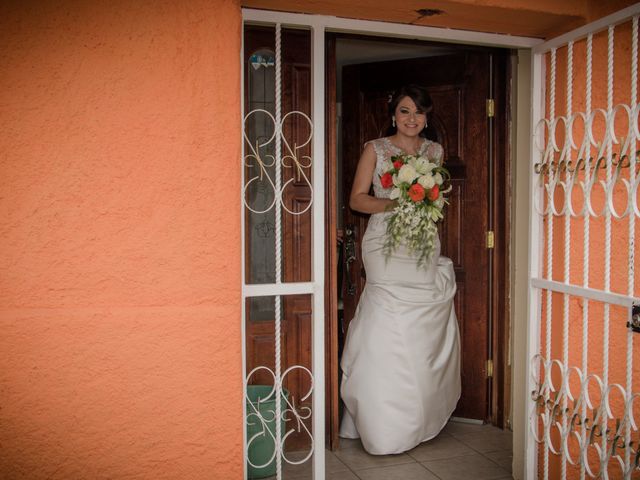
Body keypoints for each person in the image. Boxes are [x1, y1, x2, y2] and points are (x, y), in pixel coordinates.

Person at [339, 85, 461, 455]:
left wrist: (425, 201)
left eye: (419, 113)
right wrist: (397, 201)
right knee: (386, 326)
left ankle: (417, 416)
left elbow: (435, 194)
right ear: (394, 114)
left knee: (421, 330)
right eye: (405, 111)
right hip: (385, 245)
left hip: (422, 242)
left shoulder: (434, 151)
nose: (412, 119)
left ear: (427, 118)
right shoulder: (375, 149)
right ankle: (381, 423)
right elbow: (357, 199)